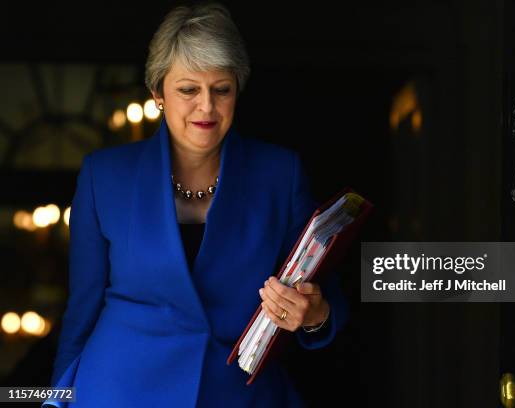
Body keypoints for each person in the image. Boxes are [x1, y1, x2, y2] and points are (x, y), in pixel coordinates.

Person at [45, 3, 348, 407]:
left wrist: (314, 315)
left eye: (221, 89)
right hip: (116, 392)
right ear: (158, 94)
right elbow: (81, 315)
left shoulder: (281, 173)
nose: (206, 106)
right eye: (188, 89)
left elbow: (326, 294)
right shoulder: (104, 176)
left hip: (239, 396)